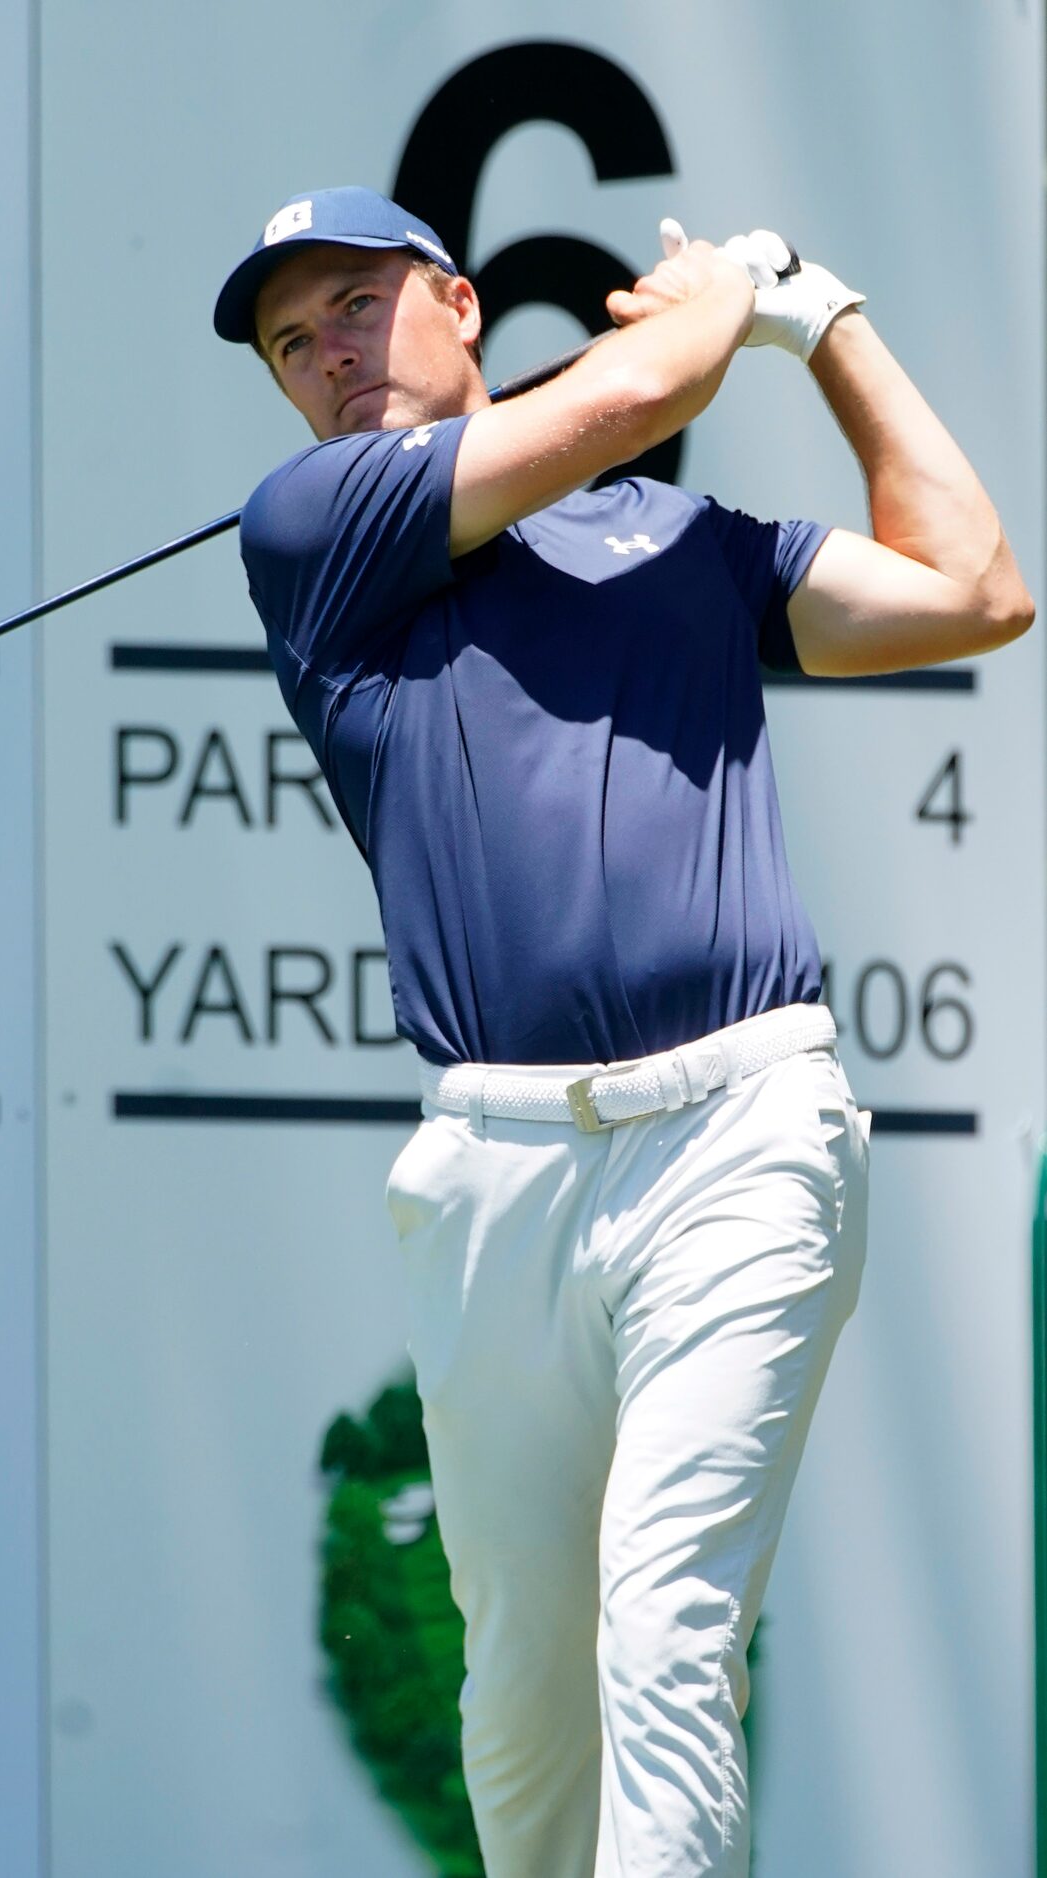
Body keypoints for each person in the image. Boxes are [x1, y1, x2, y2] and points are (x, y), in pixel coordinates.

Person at [212, 187, 1033, 1877]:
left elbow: (973, 587)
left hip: (741, 1129)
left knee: (663, 1628)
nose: (329, 358)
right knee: (523, 1710)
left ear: (455, 301)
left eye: (359, 306)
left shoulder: (671, 536)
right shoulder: (319, 526)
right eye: (295, 342)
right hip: (491, 1173)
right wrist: (718, 296)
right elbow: (637, 388)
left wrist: (822, 317)